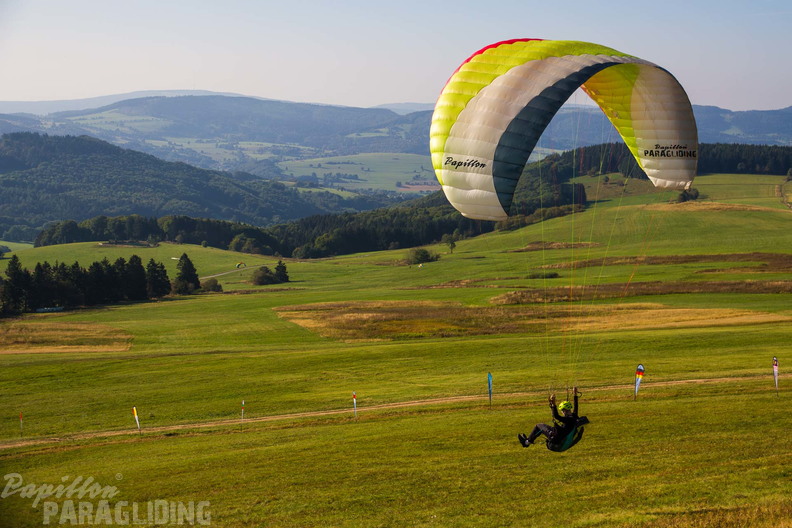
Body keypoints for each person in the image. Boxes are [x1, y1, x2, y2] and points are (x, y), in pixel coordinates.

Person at [518, 387, 588, 452]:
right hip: (561, 439)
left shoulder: (568, 420)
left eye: (562, 411)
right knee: (542, 427)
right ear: (570, 409)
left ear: (563, 411)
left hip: (555, 444)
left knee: (539, 426)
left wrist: (553, 404)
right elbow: (576, 407)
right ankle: (528, 440)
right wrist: (575, 394)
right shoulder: (574, 417)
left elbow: (556, 416)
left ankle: (526, 443)